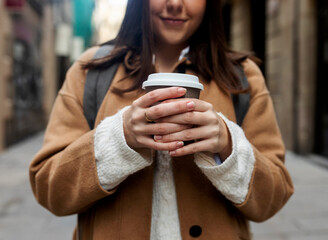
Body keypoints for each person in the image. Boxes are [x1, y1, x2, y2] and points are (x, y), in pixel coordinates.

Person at [29, 0, 294, 239]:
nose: (175, 4)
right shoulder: (92, 71)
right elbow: (49, 190)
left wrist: (227, 143)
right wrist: (120, 137)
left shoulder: (242, 77)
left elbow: (274, 197)